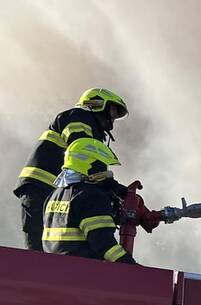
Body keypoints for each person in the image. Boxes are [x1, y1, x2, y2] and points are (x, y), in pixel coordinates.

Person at [13, 88, 128, 251]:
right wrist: (113, 188)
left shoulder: (91, 128)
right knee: (38, 245)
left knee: (57, 245)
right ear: (97, 103)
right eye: (114, 110)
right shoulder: (78, 117)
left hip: (56, 192)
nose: (114, 117)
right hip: (40, 186)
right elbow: (86, 155)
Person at [41, 137, 135, 264]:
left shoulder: (53, 195)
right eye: (103, 166)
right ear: (92, 165)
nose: (105, 172)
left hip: (54, 270)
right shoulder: (91, 197)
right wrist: (134, 269)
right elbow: (105, 245)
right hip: (82, 273)